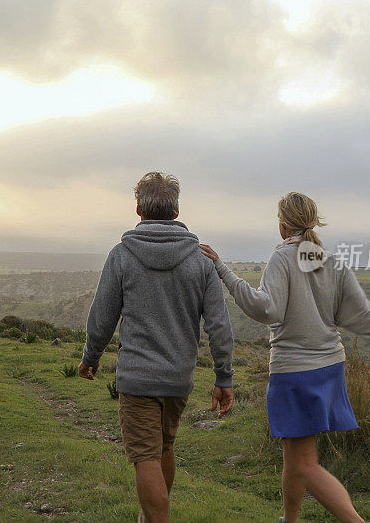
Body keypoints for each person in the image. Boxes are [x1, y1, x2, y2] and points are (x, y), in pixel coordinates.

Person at [199, 192, 370, 523]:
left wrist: (222, 270)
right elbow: (364, 315)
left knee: (304, 464)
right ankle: (290, 520)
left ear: (283, 224)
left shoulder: (283, 257)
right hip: (329, 367)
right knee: (294, 455)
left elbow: (266, 309)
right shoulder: (328, 260)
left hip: (296, 373)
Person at [79, 172, 235, 523]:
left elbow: (102, 315)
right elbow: (219, 325)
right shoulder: (201, 261)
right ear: (176, 212)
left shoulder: (122, 255)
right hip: (179, 377)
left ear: (138, 209)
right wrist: (223, 377)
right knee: (163, 447)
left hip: (136, 377)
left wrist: (90, 358)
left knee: (145, 457)